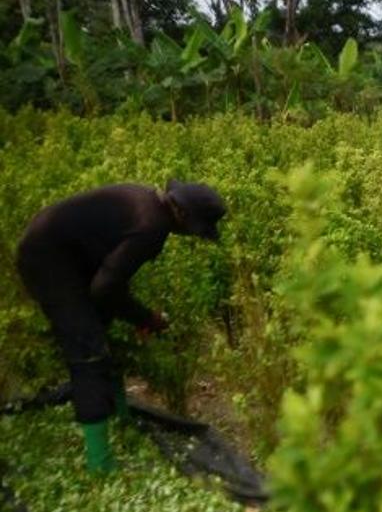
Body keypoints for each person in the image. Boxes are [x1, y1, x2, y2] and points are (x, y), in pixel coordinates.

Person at [16, 181, 227, 474]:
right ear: (182, 215)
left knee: (100, 330)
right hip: (48, 259)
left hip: (68, 256)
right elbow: (105, 288)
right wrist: (145, 318)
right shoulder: (151, 226)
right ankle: (100, 467)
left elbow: (111, 279)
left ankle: (120, 419)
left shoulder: (146, 204)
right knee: (88, 350)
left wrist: (135, 316)